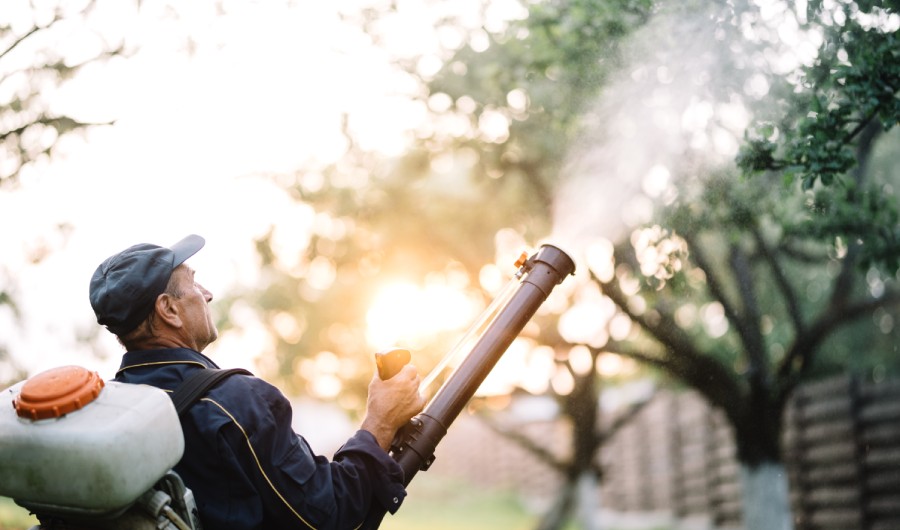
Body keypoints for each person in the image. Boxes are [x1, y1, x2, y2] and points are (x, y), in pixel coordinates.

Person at [88, 234, 425, 530]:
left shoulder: (107, 412)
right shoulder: (235, 403)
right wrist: (380, 422)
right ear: (169, 310)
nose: (207, 294)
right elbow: (328, 515)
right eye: (193, 283)